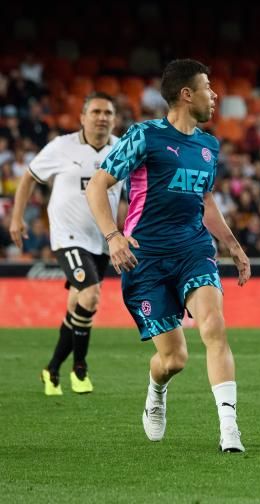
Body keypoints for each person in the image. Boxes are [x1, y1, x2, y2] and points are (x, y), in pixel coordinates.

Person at [85, 59, 251, 452]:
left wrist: (232, 244)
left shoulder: (209, 145)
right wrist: (113, 235)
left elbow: (204, 199)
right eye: (208, 88)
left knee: (214, 326)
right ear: (186, 94)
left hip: (194, 249)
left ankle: (230, 429)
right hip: (147, 259)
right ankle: (156, 392)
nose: (215, 96)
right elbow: (97, 184)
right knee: (174, 359)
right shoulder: (145, 136)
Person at [10, 92, 122, 396]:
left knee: (78, 306)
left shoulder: (122, 150)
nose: (102, 117)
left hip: (102, 241)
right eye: (96, 112)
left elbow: (136, 191)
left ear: (115, 119)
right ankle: (80, 369)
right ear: (82, 117)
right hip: (68, 237)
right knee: (91, 295)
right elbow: (29, 177)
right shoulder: (62, 147)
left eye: (108, 113)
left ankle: (52, 369)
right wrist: (17, 217)